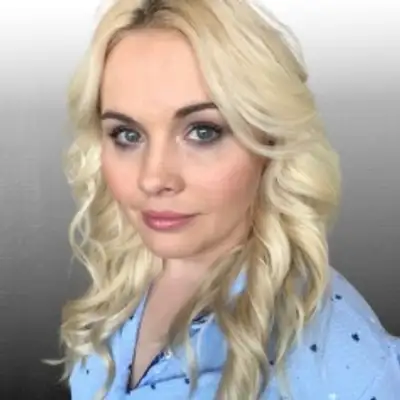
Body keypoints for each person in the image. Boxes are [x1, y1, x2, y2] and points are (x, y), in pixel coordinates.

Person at [52, 0, 400, 399]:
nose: (153, 178)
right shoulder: (124, 282)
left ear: (270, 141)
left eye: (202, 132)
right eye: (127, 135)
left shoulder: (342, 361)